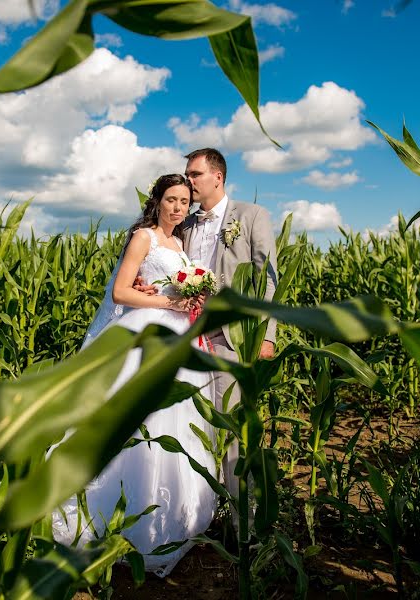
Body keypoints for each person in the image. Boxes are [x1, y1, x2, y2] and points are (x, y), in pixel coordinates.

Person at [50, 174, 219, 577]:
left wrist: (192, 298)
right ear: (156, 201)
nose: (178, 207)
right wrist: (169, 300)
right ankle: (120, 511)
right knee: (139, 420)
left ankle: (172, 516)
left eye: (184, 201)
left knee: (178, 421)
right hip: (145, 332)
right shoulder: (144, 237)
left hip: (179, 337)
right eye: (170, 199)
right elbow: (121, 292)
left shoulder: (180, 243)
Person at [136, 148, 278, 525]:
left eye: (195, 174)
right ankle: (202, 511)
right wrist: (145, 284)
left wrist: (267, 336)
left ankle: (241, 519)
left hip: (232, 336)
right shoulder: (184, 223)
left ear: (218, 176)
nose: (190, 182)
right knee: (196, 425)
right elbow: (161, 262)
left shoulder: (250, 217)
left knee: (233, 426)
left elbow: (268, 279)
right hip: (189, 336)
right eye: (187, 175)